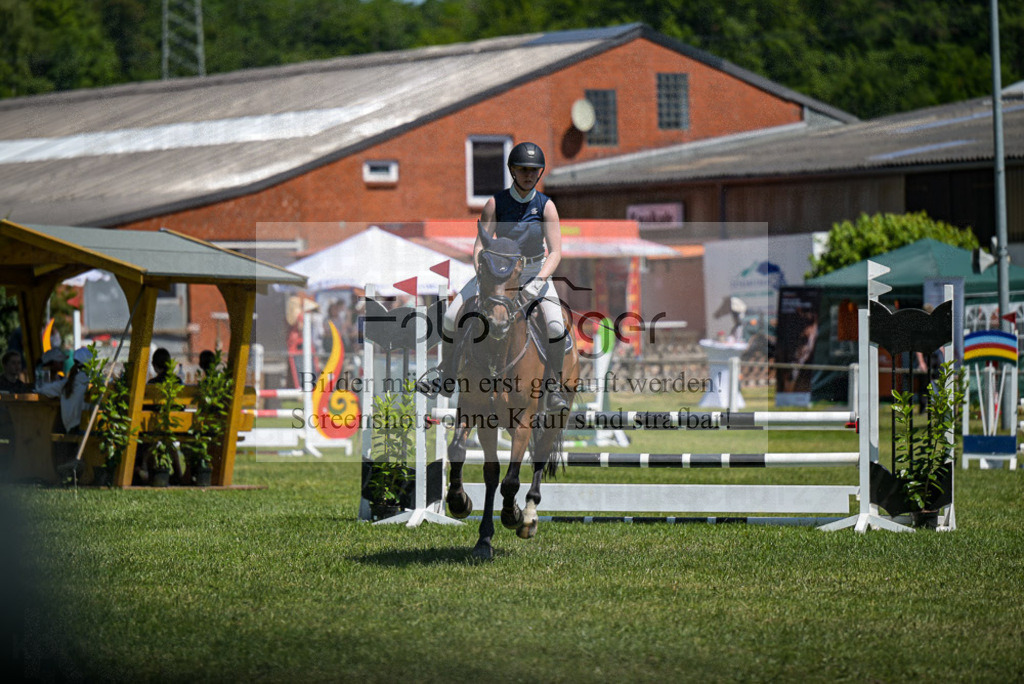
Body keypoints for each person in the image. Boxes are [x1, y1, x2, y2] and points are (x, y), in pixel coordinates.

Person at [433, 141, 569, 411]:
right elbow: (480, 245)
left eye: (534, 170)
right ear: (512, 170)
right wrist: (483, 272)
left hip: (533, 272)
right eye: (523, 169)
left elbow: (555, 252)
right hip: (495, 274)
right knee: (451, 315)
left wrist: (539, 281)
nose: (529, 175)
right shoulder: (495, 203)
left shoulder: (546, 206)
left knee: (556, 326)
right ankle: (446, 374)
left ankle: (553, 386)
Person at [37, 347, 92, 477]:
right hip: (88, 427)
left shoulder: (66, 383)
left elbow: (42, 389)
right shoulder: (94, 381)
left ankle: (66, 465)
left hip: (72, 427)